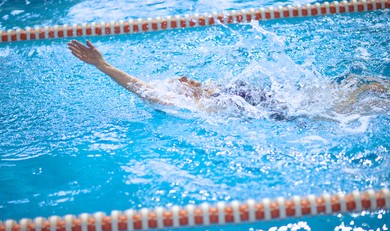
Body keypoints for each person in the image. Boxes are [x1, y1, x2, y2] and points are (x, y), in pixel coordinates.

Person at [67, 40, 388, 117]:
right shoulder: (198, 105)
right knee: (359, 101)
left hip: (290, 98)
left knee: (363, 86)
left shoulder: (212, 89)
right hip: (288, 112)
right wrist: (104, 66)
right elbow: (144, 90)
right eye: (179, 81)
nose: (183, 77)